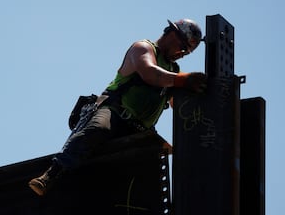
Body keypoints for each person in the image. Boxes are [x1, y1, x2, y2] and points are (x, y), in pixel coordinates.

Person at [28, 18, 207, 196]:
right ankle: (51, 175)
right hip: (114, 113)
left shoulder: (174, 70)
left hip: (139, 129)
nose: (183, 53)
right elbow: (149, 73)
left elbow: (180, 106)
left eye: (187, 52)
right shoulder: (143, 48)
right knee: (97, 129)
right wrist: (184, 80)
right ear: (171, 34)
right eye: (183, 46)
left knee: (151, 162)